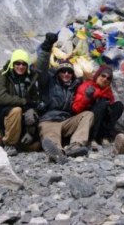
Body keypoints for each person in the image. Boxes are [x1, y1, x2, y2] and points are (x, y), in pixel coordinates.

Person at [37, 33, 94, 164]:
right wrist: (46, 47)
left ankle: (76, 145)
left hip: (67, 121)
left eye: (69, 72)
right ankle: (57, 152)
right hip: (49, 119)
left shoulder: (75, 86)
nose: (66, 74)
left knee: (88, 115)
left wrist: (88, 96)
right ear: (58, 73)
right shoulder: (48, 82)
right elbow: (41, 68)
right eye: (63, 71)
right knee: (51, 134)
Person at [0, 49, 40, 156]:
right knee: (16, 110)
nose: (21, 66)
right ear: (12, 63)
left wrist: (32, 109)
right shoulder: (2, 75)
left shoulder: (29, 78)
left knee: (35, 146)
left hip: (21, 111)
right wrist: (24, 102)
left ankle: (14, 141)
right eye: (17, 63)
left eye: (24, 64)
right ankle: (9, 144)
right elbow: (2, 97)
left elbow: (34, 98)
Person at [72, 65, 124, 150]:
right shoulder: (86, 86)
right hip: (88, 118)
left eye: (108, 78)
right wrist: (87, 98)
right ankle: (92, 138)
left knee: (118, 106)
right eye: (103, 76)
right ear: (97, 75)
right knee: (102, 104)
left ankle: (104, 136)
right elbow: (76, 109)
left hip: (101, 120)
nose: (105, 79)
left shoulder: (108, 91)